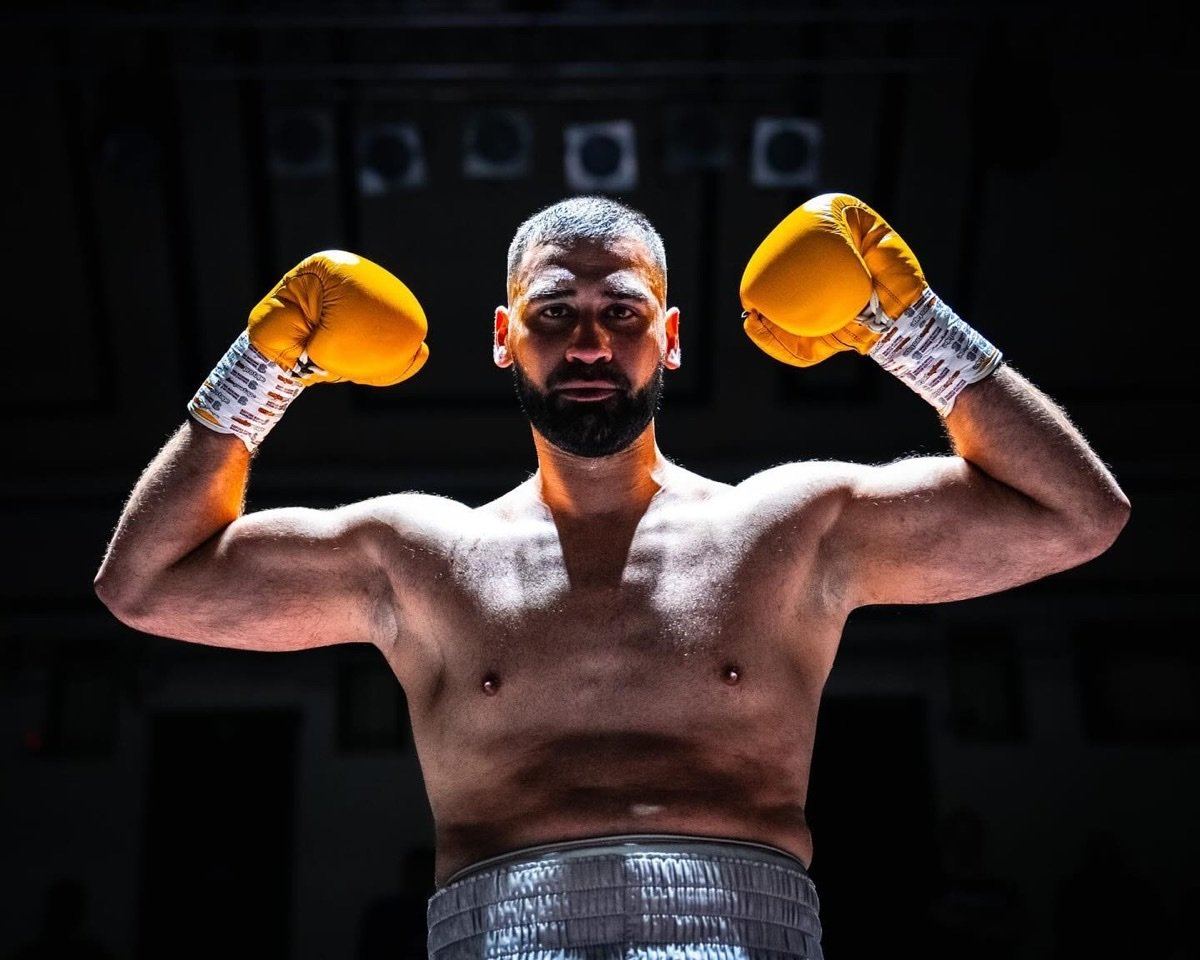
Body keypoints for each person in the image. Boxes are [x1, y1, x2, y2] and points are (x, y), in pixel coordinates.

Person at [94, 193, 1130, 959]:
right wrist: (262, 369)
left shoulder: (787, 529)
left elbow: (1080, 516)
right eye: (553, 313)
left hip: (746, 930)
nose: (589, 342)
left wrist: (913, 329)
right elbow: (144, 585)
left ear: (669, 340)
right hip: (499, 934)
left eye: (622, 313)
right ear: (503, 339)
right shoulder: (417, 555)